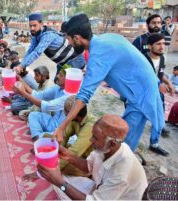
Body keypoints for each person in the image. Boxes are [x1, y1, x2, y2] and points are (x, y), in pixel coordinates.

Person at [54, 14, 167, 155]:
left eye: (69, 40)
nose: (69, 44)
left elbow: (84, 96)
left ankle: (122, 169)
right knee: (121, 140)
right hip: (142, 86)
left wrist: (61, 127)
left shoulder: (98, 54)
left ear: (77, 38)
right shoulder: (106, 38)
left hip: (141, 95)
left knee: (121, 146)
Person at [39, 114, 148, 200]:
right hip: (102, 189)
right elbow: (89, 166)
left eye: (95, 138)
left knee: (60, 183)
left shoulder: (121, 173)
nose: (91, 140)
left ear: (112, 144)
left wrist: (59, 182)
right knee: (62, 181)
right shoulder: (107, 149)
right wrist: (68, 156)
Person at [24, 96, 95, 181]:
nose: (63, 113)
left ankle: (90, 174)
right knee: (47, 138)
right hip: (78, 150)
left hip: (89, 161)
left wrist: (49, 168)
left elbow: (74, 153)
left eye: (64, 111)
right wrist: (56, 152)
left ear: (72, 113)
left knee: (65, 167)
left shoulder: (90, 126)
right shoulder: (75, 120)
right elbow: (64, 136)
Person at [14, 64, 71, 141]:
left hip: (61, 129)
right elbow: (38, 95)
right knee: (33, 115)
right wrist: (21, 81)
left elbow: (47, 106)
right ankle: (39, 137)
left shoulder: (68, 96)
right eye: (58, 74)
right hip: (52, 121)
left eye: (61, 75)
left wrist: (24, 93)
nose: (57, 76)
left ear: (68, 79)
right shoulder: (57, 88)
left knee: (50, 136)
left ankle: (41, 138)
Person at [144, 33, 175, 146]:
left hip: (157, 94)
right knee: (137, 122)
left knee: (159, 117)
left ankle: (154, 144)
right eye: (158, 44)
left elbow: (160, 75)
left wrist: (169, 84)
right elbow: (140, 79)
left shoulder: (162, 58)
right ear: (149, 46)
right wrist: (157, 85)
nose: (162, 46)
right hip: (142, 96)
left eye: (163, 43)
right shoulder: (143, 59)